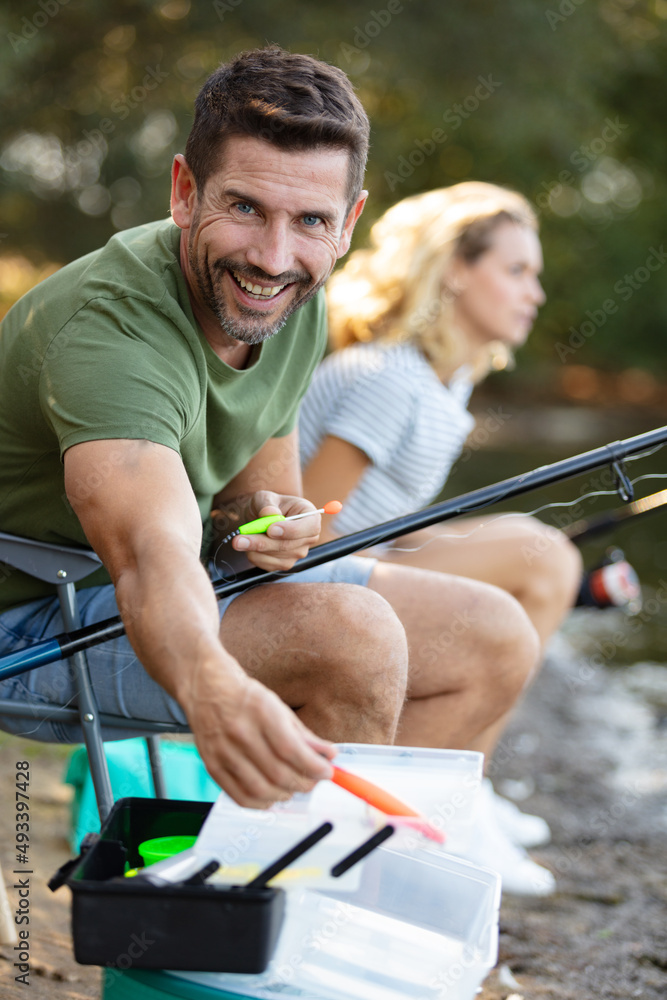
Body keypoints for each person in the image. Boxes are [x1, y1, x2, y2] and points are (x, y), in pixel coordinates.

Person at [0, 49, 542, 889]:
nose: (273, 255)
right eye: (244, 208)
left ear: (350, 218)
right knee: (349, 640)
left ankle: (357, 886)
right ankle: (307, 919)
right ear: (185, 192)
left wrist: (276, 517)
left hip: (135, 598)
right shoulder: (109, 331)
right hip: (29, 621)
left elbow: (261, 487)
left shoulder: (292, 296)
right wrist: (214, 688)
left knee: (491, 634)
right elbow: (150, 552)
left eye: (311, 222)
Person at [300, 182, 585, 889]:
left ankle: (468, 791)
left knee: (541, 557)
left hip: (364, 561)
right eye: (516, 270)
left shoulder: (442, 381)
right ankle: (439, 806)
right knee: (539, 555)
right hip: (307, 586)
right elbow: (304, 527)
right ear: (455, 268)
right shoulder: (389, 379)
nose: (535, 293)